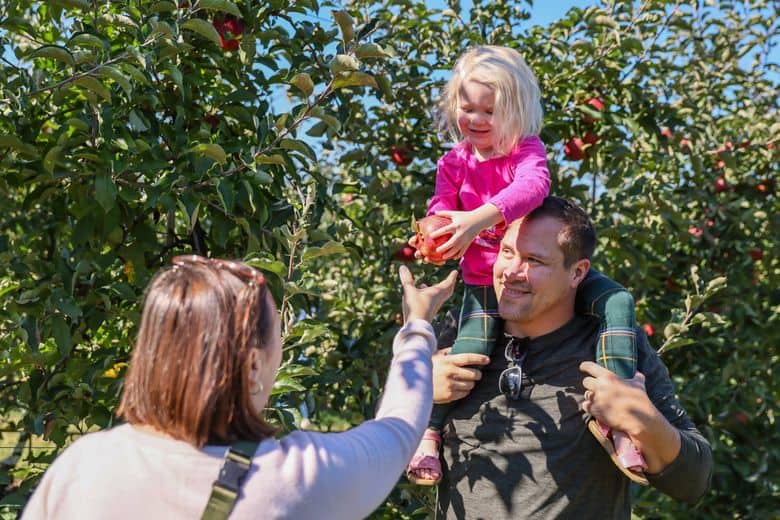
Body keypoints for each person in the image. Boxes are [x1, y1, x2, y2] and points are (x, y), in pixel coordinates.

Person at [22, 256, 458, 520]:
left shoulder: (84, 465)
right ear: (252, 366)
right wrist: (417, 328)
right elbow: (399, 431)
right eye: (275, 345)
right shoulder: (294, 479)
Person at [406, 44, 646, 485]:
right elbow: (442, 209)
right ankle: (429, 432)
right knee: (467, 353)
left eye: (489, 111)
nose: (476, 119)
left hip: (543, 271)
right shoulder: (453, 162)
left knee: (616, 301)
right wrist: (435, 236)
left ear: (514, 112)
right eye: (467, 107)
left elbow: (534, 188)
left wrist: (478, 218)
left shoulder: (524, 151)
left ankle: (618, 412)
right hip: (485, 279)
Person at [433, 197, 713, 519]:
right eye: (507, 252)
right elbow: (377, 453)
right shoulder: (459, 336)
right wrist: (417, 394)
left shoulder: (612, 347)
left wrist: (644, 420)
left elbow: (694, 481)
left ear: (577, 272)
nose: (511, 271)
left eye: (534, 260)